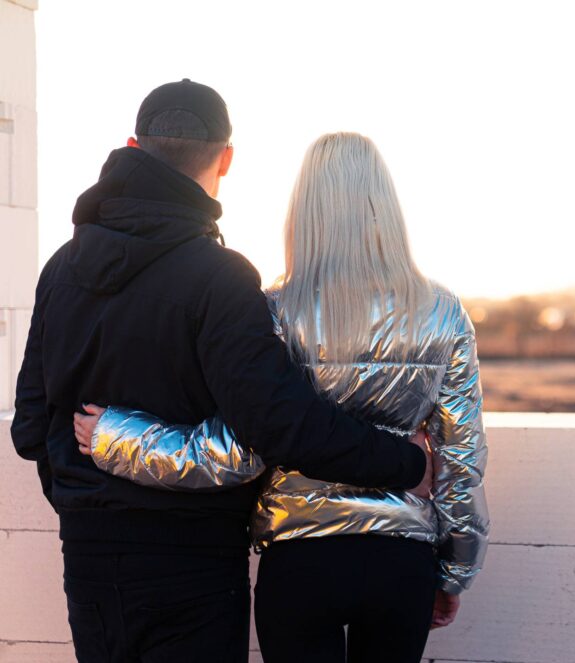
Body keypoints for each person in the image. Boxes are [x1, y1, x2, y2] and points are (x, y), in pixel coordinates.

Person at [11, 81, 430, 663]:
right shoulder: (222, 277)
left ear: (133, 145)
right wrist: (407, 462)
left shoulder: (61, 268)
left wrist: (86, 502)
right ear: (226, 158)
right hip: (193, 565)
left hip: (88, 561)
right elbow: (277, 423)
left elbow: (30, 427)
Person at [72, 131, 490, 663]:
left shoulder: (270, 312)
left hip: (299, 567)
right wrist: (455, 571)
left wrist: (116, 437)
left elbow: (236, 452)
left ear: (303, 211)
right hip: (401, 563)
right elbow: (461, 463)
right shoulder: (443, 314)